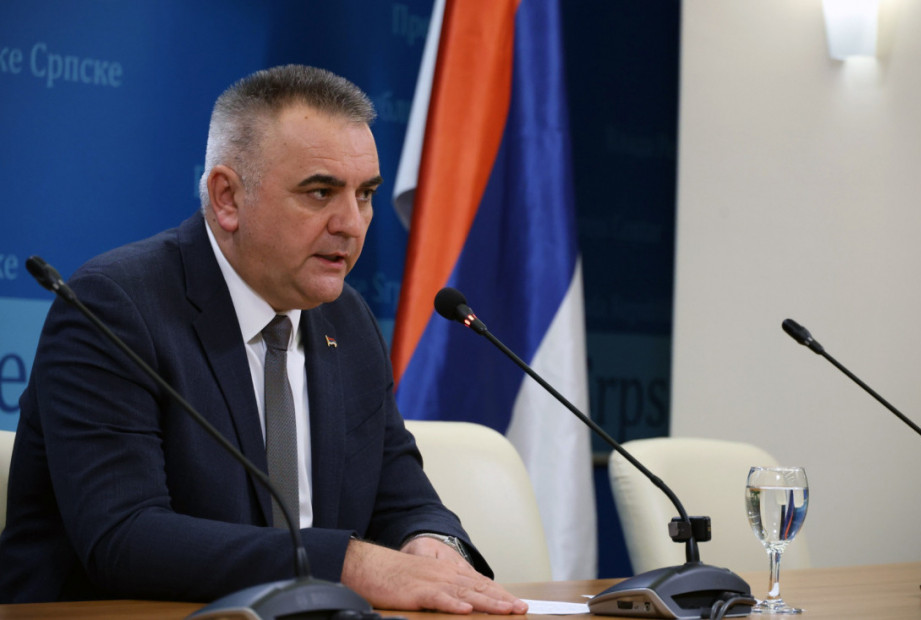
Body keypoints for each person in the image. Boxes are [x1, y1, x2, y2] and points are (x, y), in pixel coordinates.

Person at [0, 65, 528, 615]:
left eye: (366, 194)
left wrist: (431, 544)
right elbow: (124, 537)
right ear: (227, 197)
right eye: (320, 192)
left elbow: (404, 496)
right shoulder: (115, 308)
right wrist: (348, 564)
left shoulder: (346, 321)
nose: (352, 224)